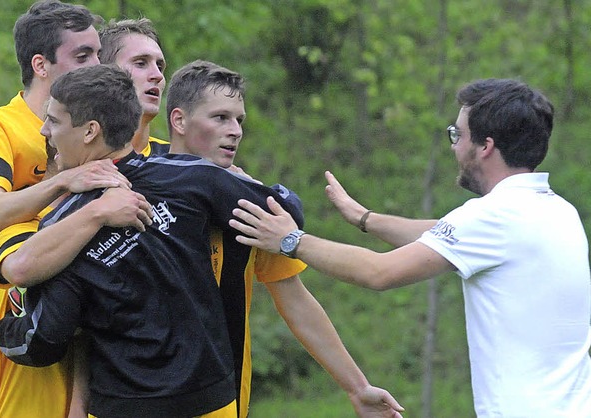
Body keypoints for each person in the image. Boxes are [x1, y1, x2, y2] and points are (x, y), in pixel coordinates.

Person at [0, 59, 404, 418]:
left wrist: (356, 387)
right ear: (178, 120)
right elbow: (59, 314)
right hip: (181, 399)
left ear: (89, 132)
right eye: (221, 117)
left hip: (191, 400)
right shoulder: (190, 182)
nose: (235, 131)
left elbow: (293, 290)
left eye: (238, 120)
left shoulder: (209, 189)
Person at [229, 78, 591, 418]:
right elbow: (439, 233)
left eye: (458, 134)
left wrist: (290, 240)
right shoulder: (555, 210)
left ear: (486, 147)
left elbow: (379, 273)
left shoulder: (493, 217)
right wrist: (363, 218)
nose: (453, 145)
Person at [0, 1, 132, 417]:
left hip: (54, 334)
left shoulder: (88, 138)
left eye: (98, 54)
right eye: (82, 55)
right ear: (41, 64)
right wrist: (64, 180)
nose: (96, 64)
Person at [98, 18, 169, 155]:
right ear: (103, 71)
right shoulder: (65, 156)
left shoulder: (180, 164)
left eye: (160, 67)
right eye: (141, 63)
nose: (158, 76)